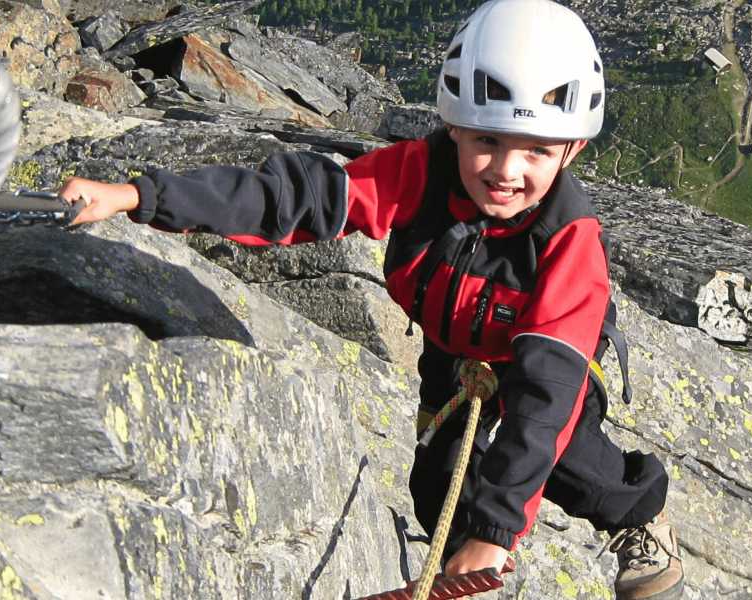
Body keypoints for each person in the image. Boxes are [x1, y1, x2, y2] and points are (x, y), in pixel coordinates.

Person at [60, 1, 683, 597]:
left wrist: (496, 532)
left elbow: (548, 394)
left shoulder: (569, 241)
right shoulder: (418, 176)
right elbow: (290, 198)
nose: (506, 170)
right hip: (455, 349)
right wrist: (139, 197)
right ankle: (459, 568)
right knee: (436, 487)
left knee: (568, 457)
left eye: (537, 151)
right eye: (485, 142)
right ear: (455, 129)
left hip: (543, 356)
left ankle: (638, 516)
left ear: (571, 150)